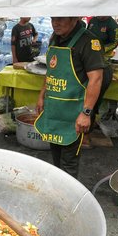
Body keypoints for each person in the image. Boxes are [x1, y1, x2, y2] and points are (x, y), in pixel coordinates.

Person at [34, 17, 104, 178]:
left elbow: (96, 79)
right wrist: (41, 95)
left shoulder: (88, 41)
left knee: (69, 163)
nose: (55, 23)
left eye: (60, 19)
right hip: (54, 111)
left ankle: (68, 200)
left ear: (74, 18)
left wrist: (86, 113)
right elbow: (51, 71)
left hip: (74, 113)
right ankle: (59, 193)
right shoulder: (55, 37)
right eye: (53, 19)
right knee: (56, 159)